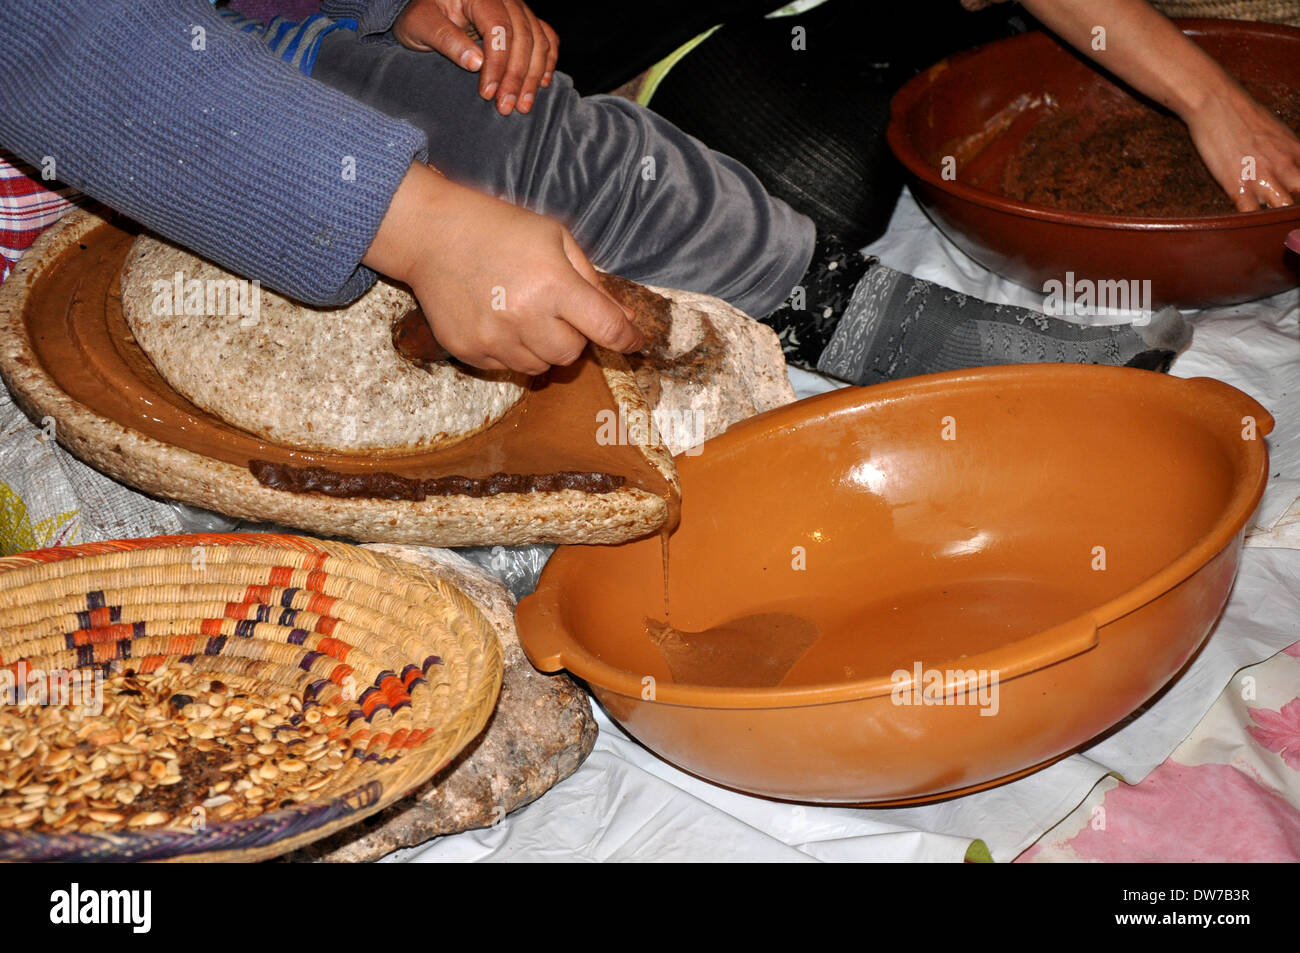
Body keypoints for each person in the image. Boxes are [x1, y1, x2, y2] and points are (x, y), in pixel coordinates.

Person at [6, 0, 1279, 382]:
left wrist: (1204, 94)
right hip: (115, 94)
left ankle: (834, 306)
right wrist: (419, 219)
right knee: (532, 158)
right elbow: (58, 38)